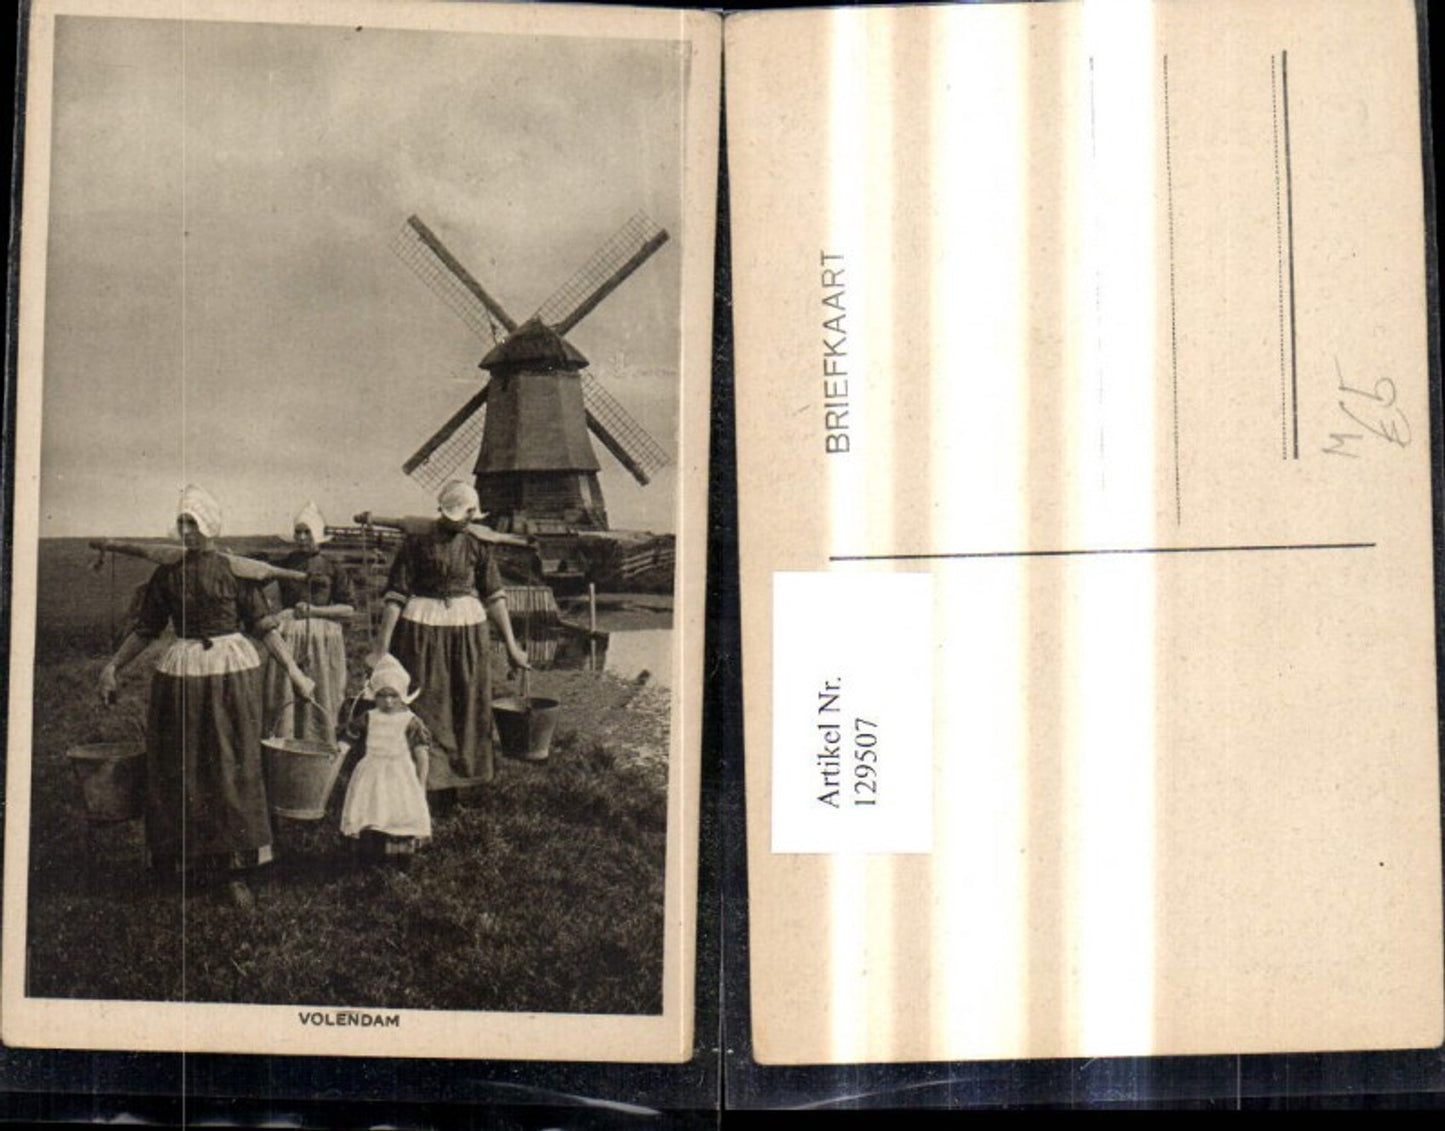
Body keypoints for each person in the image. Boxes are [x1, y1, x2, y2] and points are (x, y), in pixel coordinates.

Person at [97, 485, 316, 907]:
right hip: (182, 672)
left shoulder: (235, 572)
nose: (186, 531)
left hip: (230, 672)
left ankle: (235, 869)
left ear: (210, 526)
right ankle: (181, 862)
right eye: (181, 523)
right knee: (179, 762)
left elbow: (264, 627)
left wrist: (295, 674)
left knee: (232, 763)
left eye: (193, 523)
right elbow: (146, 629)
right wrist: (112, 667)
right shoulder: (167, 575)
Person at [368, 480, 528, 814]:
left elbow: (494, 596)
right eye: (463, 514)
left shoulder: (477, 544)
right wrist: (381, 647)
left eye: (471, 514)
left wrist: (512, 646)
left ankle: (459, 785)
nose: (467, 520)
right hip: (422, 630)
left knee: (467, 705)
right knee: (426, 703)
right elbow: (397, 594)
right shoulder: (417, 542)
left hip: (467, 631)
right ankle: (424, 785)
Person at [263, 501, 354, 748]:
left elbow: (348, 609)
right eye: (298, 532)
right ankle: (286, 746)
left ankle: (322, 745)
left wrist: (316, 610)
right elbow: (268, 594)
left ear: (318, 535)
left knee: (323, 690)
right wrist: (280, 614)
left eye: (307, 532)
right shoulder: (284, 564)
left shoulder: (332, 567)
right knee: (286, 691)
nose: (302, 538)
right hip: (289, 635)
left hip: (323, 638)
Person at [338, 655, 432, 865]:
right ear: (374, 696)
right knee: (371, 810)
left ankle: (399, 856)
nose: (388, 701)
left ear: (402, 695)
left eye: (393, 696)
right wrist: (340, 750)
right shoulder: (369, 717)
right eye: (382, 696)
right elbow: (350, 736)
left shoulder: (410, 721)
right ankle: (371, 854)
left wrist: (421, 783)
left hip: (399, 772)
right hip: (372, 770)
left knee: (398, 811)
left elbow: (421, 754)